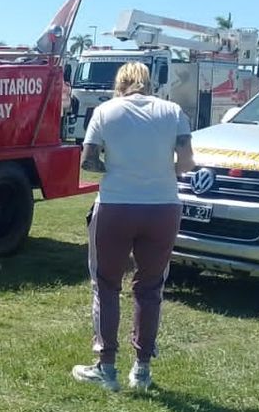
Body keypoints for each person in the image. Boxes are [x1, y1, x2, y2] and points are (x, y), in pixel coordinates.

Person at [71, 61, 194, 392]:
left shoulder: (104, 112)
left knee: (106, 285)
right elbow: (185, 164)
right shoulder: (173, 112)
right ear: (148, 82)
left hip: (116, 205)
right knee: (151, 287)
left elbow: (89, 162)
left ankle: (106, 366)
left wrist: (119, 163)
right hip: (163, 206)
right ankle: (141, 369)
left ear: (120, 82)